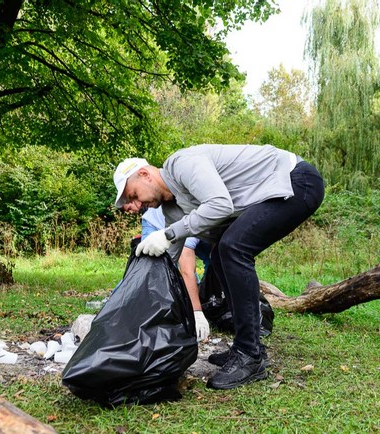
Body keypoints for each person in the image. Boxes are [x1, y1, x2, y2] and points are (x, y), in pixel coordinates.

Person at [112, 145, 324, 390]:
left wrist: (168, 234)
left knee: (232, 248)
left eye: (133, 195)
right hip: (278, 190)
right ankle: (248, 346)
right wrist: (133, 302)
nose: (135, 205)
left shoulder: (182, 163)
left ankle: (249, 355)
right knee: (222, 254)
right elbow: (171, 259)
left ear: (145, 174)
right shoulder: (171, 208)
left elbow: (220, 204)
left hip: (295, 180)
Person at [141, 206, 212, 341]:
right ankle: (120, 300)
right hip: (156, 223)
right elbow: (185, 269)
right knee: (151, 270)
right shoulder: (189, 223)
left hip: (197, 227)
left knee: (217, 259)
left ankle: (213, 302)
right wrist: (196, 313)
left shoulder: (212, 217)